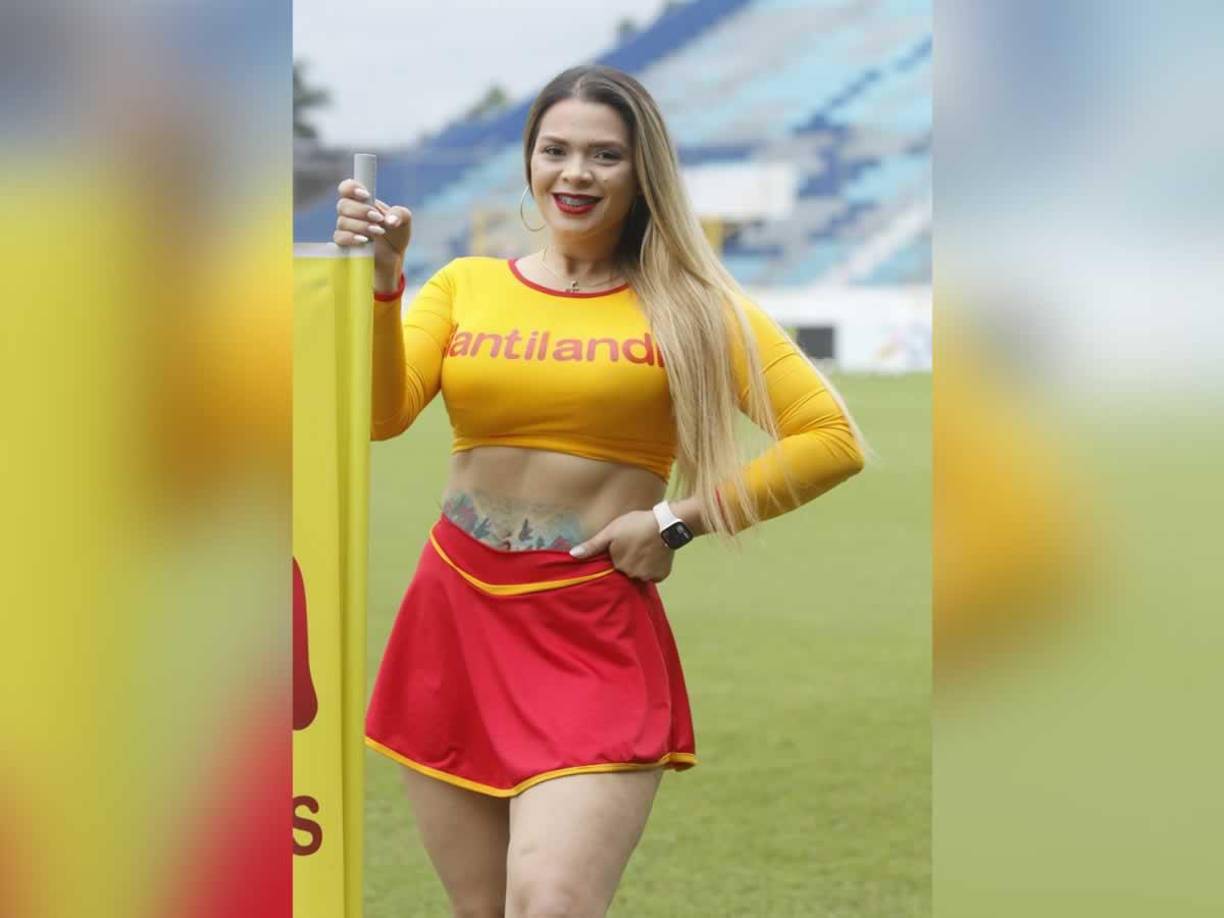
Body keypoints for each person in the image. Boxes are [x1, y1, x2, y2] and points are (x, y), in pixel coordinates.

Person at [333, 65, 869, 918]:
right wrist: (383, 281)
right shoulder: (464, 285)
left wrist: (677, 521)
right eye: (556, 150)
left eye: (604, 155)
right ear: (530, 161)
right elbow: (378, 414)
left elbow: (831, 440)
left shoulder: (694, 306)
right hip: (453, 619)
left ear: (641, 170)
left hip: (589, 633)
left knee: (548, 902)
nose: (575, 173)